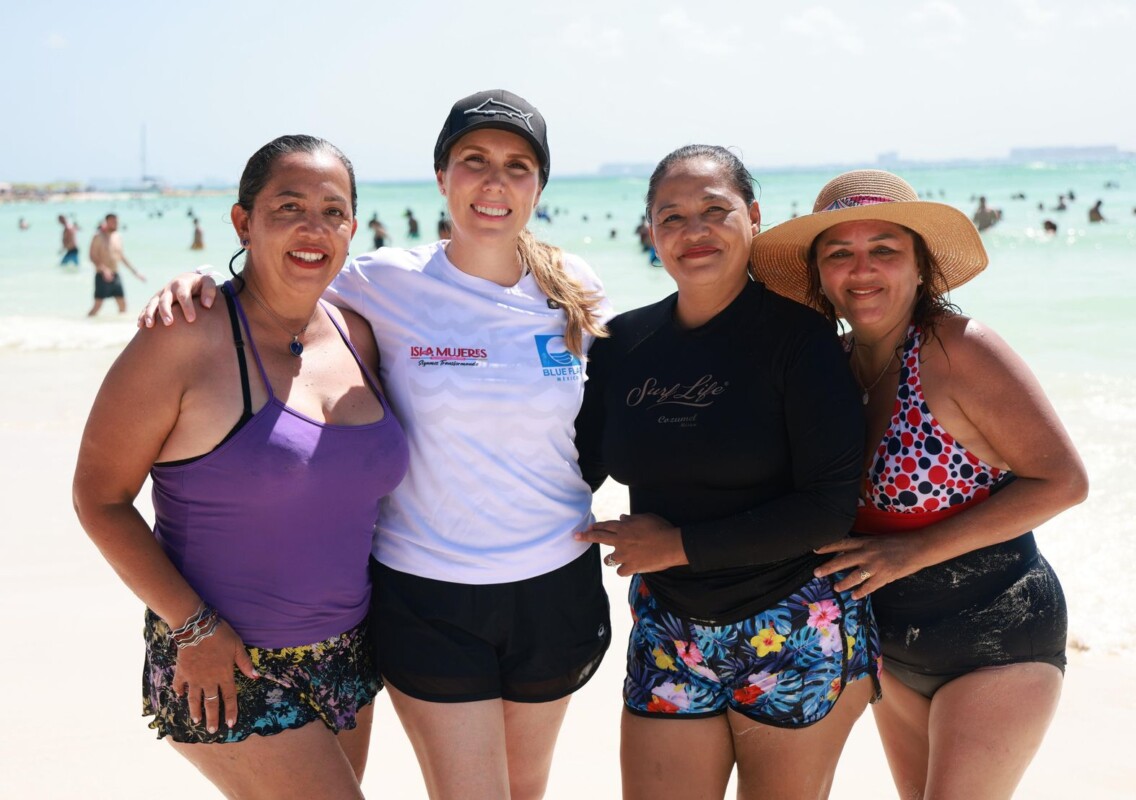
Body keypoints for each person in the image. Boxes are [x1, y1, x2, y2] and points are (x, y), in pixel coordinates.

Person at [139, 89, 612, 800]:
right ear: (440, 175)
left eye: (517, 166)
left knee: (525, 790)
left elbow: (605, 424)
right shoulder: (378, 281)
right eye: (472, 160)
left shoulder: (575, 286)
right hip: (427, 591)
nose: (493, 181)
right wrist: (201, 284)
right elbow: (277, 285)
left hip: (556, 584)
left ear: (539, 185)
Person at [73, 135, 409, 797]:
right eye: (288, 206)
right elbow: (98, 498)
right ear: (242, 221)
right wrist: (193, 628)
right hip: (222, 661)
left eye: (333, 210)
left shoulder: (360, 333)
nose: (313, 227)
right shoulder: (183, 337)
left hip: (348, 655)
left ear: (351, 226)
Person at [750, 169, 1088, 799]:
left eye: (884, 249)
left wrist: (910, 552)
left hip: (1000, 634)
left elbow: (1064, 482)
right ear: (819, 276)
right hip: (891, 650)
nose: (862, 270)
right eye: (839, 254)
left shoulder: (960, 350)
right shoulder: (831, 368)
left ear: (921, 267)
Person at [574, 145, 879, 799]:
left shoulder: (801, 341)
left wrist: (675, 546)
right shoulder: (622, 343)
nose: (693, 231)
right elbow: (573, 467)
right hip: (666, 627)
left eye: (714, 210)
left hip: (792, 624)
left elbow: (826, 508)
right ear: (650, 231)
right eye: (671, 216)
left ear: (754, 218)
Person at [87, 213, 146, 315]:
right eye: (113, 222)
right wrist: (104, 270)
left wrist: (135, 272)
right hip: (101, 275)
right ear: (106, 222)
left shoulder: (117, 236)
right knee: (97, 306)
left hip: (115, 275)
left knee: (123, 305)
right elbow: (92, 256)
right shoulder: (98, 236)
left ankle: (119, 328)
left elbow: (121, 257)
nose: (116, 224)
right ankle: (84, 324)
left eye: (117, 222)